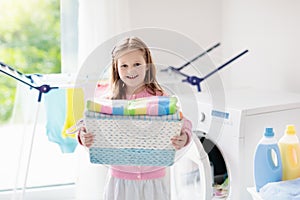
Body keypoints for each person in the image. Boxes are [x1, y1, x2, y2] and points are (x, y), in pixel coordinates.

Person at [78, 37, 192, 200]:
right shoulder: (110, 99)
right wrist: (82, 135)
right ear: (116, 68)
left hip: (155, 178)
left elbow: (183, 122)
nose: (131, 71)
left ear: (147, 64)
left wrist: (184, 136)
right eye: (124, 65)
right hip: (119, 178)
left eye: (137, 64)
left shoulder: (160, 98)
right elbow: (87, 122)